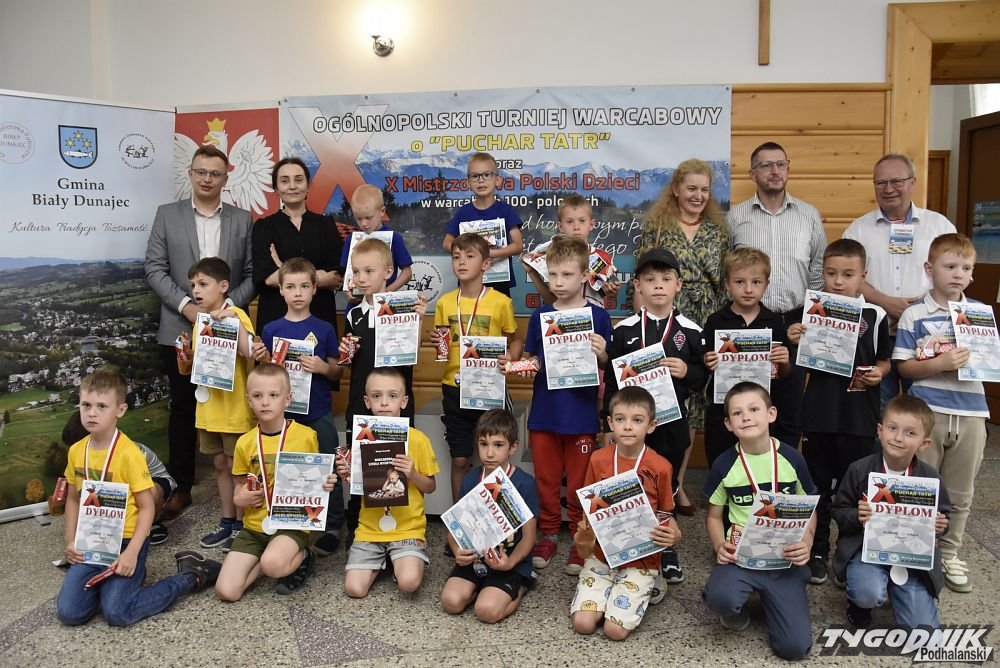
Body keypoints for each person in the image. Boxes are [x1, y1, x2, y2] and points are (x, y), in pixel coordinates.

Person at [56, 371, 220, 627]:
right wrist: (70, 541)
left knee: (117, 613)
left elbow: (146, 508)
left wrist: (132, 553)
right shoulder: (77, 451)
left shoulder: (129, 454)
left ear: (120, 410)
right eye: (86, 405)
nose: (92, 413)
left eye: (102, 406)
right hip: (92, 541)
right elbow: (74, 499)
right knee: (69, 613)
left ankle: (191, 576)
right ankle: (110, 584)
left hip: (126, 540)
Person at [145, 144, 254, 520]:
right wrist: (189, 308)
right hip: (180, 327)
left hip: (227, 329)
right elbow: (154, 268)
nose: (207, 179)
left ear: (226, 178)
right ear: (191, 174)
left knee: (229, 402)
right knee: (182, 408)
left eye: (215, 173)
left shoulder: (243, 220)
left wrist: (226, 309)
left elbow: (252, 274)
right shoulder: (166, 215)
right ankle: (181, 488)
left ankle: (240, 492)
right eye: (201, 172)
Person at [505, 236, 611, 575]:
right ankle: (549, 532)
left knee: (580, 482)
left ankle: (581, 538)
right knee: (547, 480)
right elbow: (533, 360)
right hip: (545, 414)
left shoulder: (598, 316)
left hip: (581, 415)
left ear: (584, 276)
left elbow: (609, 366)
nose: (558, 282)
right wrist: (519, 368)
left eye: (567, 275)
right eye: (552, 275)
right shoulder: (540, 315)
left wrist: (603, 354)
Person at [787, 239, 889, 585]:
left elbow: (885, 360)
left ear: (863, 275)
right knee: (816, 487)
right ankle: (817, 548)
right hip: (819, 414)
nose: (839, 281)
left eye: (847, 274)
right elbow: (798, 358)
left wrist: (879, 373)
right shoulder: (813, 310)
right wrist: (795, 337)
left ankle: (849, 550)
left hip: (859, 417)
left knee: (854, 488)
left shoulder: (875, 315)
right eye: (831, 274)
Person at [603, 248, 705, 584]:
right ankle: (630, 540)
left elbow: (704, 377)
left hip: (672, 423)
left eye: (665, 279)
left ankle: (666, 546)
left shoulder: (691, 331)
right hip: (630, 427)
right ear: (638, 286)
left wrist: (687, 371)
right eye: (649, 279)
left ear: (679, 284)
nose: (658, 285)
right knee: (630, 480)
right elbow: (613, 380)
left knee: (667, 483)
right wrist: (608, 423)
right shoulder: (624, 330)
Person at [893, 233, 987, 592]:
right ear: (930, 268)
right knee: (920, 485)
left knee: (961, 491)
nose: (958, 274)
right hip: (928, 412)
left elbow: (989, 360)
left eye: (966, 268)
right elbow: (904, 367)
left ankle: (949, 552)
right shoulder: (915, 314)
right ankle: (914, 550)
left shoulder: (979, 314)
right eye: (950, 266)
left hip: (972, 412)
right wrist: (939, 364)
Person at [633, 158, 728, 512]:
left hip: (704, 320)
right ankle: (650, 482)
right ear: (675, 189)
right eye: (691, 188)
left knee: (693, 405)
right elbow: (643, 278)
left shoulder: (719, 231)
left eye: (704, 189)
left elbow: (725, 282)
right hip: (661, 317)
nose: (698, 195)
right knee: (657, 396)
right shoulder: (657, 226)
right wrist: (640, 322)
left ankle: (676, 485)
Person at [701, 382, 817, 660]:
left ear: (771, 414)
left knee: (794, 649)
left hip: (783, 560)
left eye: (754, 409)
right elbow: (714, 516)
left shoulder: (792, 459)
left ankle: (778, 598)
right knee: (720, 599)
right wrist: (719, 545)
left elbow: (811, 509)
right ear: (728, 424)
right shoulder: (723, 465)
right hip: (741, 557)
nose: (746, 417)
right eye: (737, 413)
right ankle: (739, 609)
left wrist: (807, 542)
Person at [727, 142, 826, 449]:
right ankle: (746, 469)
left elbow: (819, 266)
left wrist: (811, 315)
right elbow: (725, 268)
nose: (775, 171)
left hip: (796, 321)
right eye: (766, 165)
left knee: (790, 408)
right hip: (750, 320)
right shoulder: (736, 217)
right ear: (752, 173)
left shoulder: (808, 215)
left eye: (781, 164)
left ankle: (784, 473)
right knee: (747, 404)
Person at [843, 153, 957, 406]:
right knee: (877, 408)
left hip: (926, 334)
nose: (888, 189)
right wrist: (886, 302)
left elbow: (956, 275)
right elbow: (848, 278)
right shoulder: (858, 230)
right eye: (881, 183)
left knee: (924, 409)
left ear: (913, 182)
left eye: (897, 181)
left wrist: (917, 310)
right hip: (876, 334)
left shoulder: (939, 227)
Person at [215, 364, 336, 600]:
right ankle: (265, 558)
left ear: (287, 399)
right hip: (254, 528)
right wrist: (239, 498)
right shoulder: (244, 443)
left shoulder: (305, 436)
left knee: (273, 565)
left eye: (273, 395)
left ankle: (304, 556)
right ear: (249, 401)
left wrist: (325, 483)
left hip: (291, 524)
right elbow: (239, 486)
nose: (265, 402)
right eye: (257, 396)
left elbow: (314, 480)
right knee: (227, 592)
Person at [569, 387, 679, 641]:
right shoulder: (597, 459)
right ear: (610, 423)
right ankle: (611, 588)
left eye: (637, 420)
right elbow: (589, 507)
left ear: (651, 426)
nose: (627, 426)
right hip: (602, 555)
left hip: (641, 557)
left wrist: (674, 535)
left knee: (615, 631)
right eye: (620, 419)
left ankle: (653, 579)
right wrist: (584, 536)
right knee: (583, 624)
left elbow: (665, 514)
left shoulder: (661, 466)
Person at [832, 395, 951, 629]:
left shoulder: (931, 479)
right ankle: (860, 604)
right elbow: (838, 509)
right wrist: (856, 516)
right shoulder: (859, 470)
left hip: (912, 559)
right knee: (867, 592)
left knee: (923, 633)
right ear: (880, 430)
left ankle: (899, 593)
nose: (898, 438)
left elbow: (946, 516)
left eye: (910, 433)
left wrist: (940, 525)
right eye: (892, 428)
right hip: (867, 552)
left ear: (925, 443)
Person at [252, 256, 345, 557]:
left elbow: (337, 371)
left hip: (317, 410)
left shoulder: (324, 328)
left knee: (329, 465)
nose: (298, 293)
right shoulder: (271, 329)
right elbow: (266, 373)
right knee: (287, 468)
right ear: (280, 290)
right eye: (290, 286)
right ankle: (290, 522)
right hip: (284, 415)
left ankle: (332, 525)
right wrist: (263, 359)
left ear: (315, 288)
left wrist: (322, 367)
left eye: (304, 286)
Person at [341, 238, 425, 548]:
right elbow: (347, 361)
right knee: (361, 471)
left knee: (396, 469)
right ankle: (359, 533)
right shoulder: (353, 315)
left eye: (368, 271)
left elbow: (414, 352)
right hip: (361, 405)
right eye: (356, 271)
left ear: (388, 272)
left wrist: (419, 319)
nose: (361, 278)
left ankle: (400, 535)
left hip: (396, 407)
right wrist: (344, 351)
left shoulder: (404, 308)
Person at [431, 233, 522, 503]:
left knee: (494, 457)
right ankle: (460, 518)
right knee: (460, 459)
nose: (461, 262)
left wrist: (511, 357)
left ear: (485, 264)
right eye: (456, 257)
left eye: (470, 256)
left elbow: (515, 339)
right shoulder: (445, 302)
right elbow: (441, 345)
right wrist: (438, 344)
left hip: (488, 387)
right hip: (454, 387)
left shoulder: (500, 302)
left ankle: (496, 515)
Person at [335, 367, 440, 598]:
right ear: (367, 401)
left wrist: (413, 474)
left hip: (407, 529)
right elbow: (358, 485)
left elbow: (430, 487)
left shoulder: (418, 440)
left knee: (409, 584)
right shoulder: (361, 439)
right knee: (354, 589)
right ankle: (386, 561)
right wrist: (346, 474)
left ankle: (399, 560)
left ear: (404, 401)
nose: (384, 403)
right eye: (376, 396)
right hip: (370, 529)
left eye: (392, 396)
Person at [441, 409, 540, 624]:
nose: (489, 453)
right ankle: (482, 588)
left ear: (513, 447)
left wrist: (509, 563)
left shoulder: (524, 483)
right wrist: (457, 550)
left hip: (509, 560)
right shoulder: (471, 479)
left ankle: (521, 586)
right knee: (451, 602)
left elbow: (529, 538)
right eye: (483, 444)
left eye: (498, 445)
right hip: (475, 559)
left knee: (486, 612)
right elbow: (455, 528)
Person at [185, 257, 256, 552]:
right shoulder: (200, 321)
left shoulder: (236, 314)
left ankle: (242, 524)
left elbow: (250, 351)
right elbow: (199, 363)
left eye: (203, 284)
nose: (196, 291)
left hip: (234, 410)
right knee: (219, 465)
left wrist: (233, 325)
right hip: (209, 408)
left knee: (237, 467)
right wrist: (187, 357)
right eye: (193, 285)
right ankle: (227, 520)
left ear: (223, 286)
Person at [701, 248, 792, 467]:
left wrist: (784, 361)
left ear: (766, 285)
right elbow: (704, 365)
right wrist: (708, 362)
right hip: (723, 409)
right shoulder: (716, 321)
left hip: (761, 410)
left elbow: (784, 373)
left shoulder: (774, 322)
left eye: (756, 282)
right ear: (727, 284)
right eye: (740, 282)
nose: (748, 289)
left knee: (761, 464)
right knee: (721, 462)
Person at [252, 157, 345, 333]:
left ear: (308, 186)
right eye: (285, 181)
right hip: (276, 317)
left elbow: (336, 277)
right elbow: (268, 278)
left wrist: (283, 270)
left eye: (298, 180)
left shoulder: (326, 225)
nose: (292, 186)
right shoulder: (263, 227)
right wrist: (317, 278)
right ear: (276, 189)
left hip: (320, 316)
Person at [61, 412, 176, 546]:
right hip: (121, 488)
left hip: (152, 482)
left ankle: (151, 524)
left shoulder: (128, 452)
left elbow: (129, 487)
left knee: (148, 493)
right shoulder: (81, 453)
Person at [442, 152, 524, 297]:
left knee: (500, 311)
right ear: (468, 183)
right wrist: (468, 254)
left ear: (497, 180)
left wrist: (490, 254)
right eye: (475, 176)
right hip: (469, 283)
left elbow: (518, 245)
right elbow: (447, 243)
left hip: (499, 281)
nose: (481, 180)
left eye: (486, 175)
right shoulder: (463, 213)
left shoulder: (505, 210)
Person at [522, 194, 620, 307]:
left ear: (591, 224)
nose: (576, 227)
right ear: (560, 226)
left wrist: (612, 289)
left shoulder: (603, 257)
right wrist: (532, 272)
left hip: (595, 316)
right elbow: (551, 300)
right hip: (563, 316)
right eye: (569, 222)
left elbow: (611, 292)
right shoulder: (552, 256)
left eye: (582, 221)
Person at [341, 183, 413, 313]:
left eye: (368, 218)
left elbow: (407, 272)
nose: (364, 223)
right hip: (356, 306)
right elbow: (346, 272)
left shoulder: (394, 238)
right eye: (358, 218)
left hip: (384, 307)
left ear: (382, 211)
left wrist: (386, 292)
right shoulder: (351, 239)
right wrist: (348, 292)